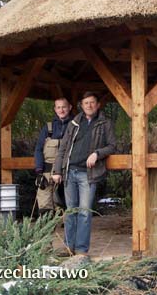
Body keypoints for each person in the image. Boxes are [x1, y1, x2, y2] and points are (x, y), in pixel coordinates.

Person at [52, 92, 116, 256]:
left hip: (88, 174)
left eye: (92, 102)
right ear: (81, 105)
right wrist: (57, 170)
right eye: (86, 103)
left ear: (98, 104)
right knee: (70, 211)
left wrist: (97, 153)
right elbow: (63, 149)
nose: (89, 105)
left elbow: (112, 146)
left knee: (85, 212)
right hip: (69, 172)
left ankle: (81, 250)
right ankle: (68, 247)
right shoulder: (74, 123)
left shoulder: (105, 123)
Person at [34, 97, 73, 216]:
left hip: (67, 171)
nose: (61, 110)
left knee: (65, 205)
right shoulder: (48, 127)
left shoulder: (74, 126)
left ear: (69, 107)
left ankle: (66, 231)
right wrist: (39, 171)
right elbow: (38, 149)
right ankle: (47, 231)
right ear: (55, 109)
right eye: (58, 107)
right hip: (46, 172)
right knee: (45, 205)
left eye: (64, 107)